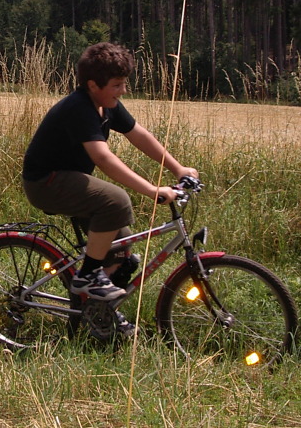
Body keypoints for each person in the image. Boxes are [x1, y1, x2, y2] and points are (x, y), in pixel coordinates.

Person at [22, 42, 199, 301]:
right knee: (116, 201)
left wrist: (177, 168)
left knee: (121, 250)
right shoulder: (79, 108)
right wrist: (152, 190)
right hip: (45, 183)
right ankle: (88, 276)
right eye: (117, 85)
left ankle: (100, 317)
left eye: (124, 83)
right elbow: (102, 158)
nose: (123, 90)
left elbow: (139, 135)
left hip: (70, 180)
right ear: (93, 85)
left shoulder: (108, 105)